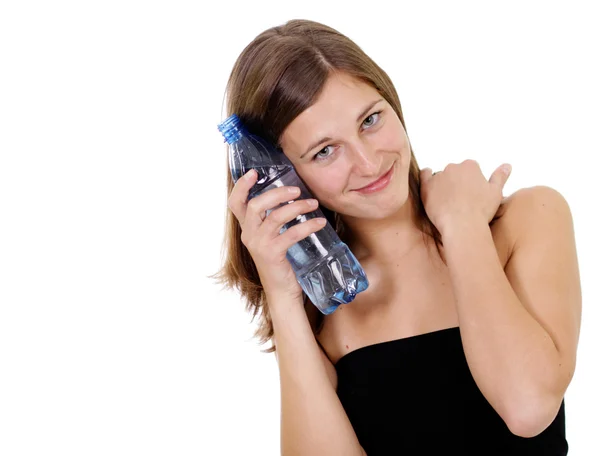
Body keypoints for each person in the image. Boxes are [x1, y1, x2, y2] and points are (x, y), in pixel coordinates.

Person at [212, 19, 582, 455]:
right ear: (278, 176)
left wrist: (462, 227)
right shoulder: (320, 306)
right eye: (325, 151)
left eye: (370, 120)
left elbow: (528, 408)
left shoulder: (526, 219)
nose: (369, 163)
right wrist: (282, 294)